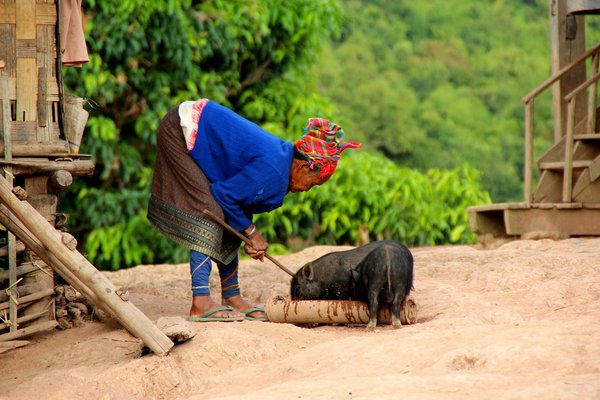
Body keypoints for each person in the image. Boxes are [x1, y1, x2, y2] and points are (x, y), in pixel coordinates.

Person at [147, 99, 361, 322]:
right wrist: (251, 233)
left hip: (198, 127)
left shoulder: (281, 165)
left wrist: (248, 230)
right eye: (313, 183)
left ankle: (231, 296)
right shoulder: (274, 170)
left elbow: (236, 204)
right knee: (210, 211)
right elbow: (224, 195)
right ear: (303, 166)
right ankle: (200, 301)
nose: (308, 190)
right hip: (181, 130)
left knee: (232, 216)